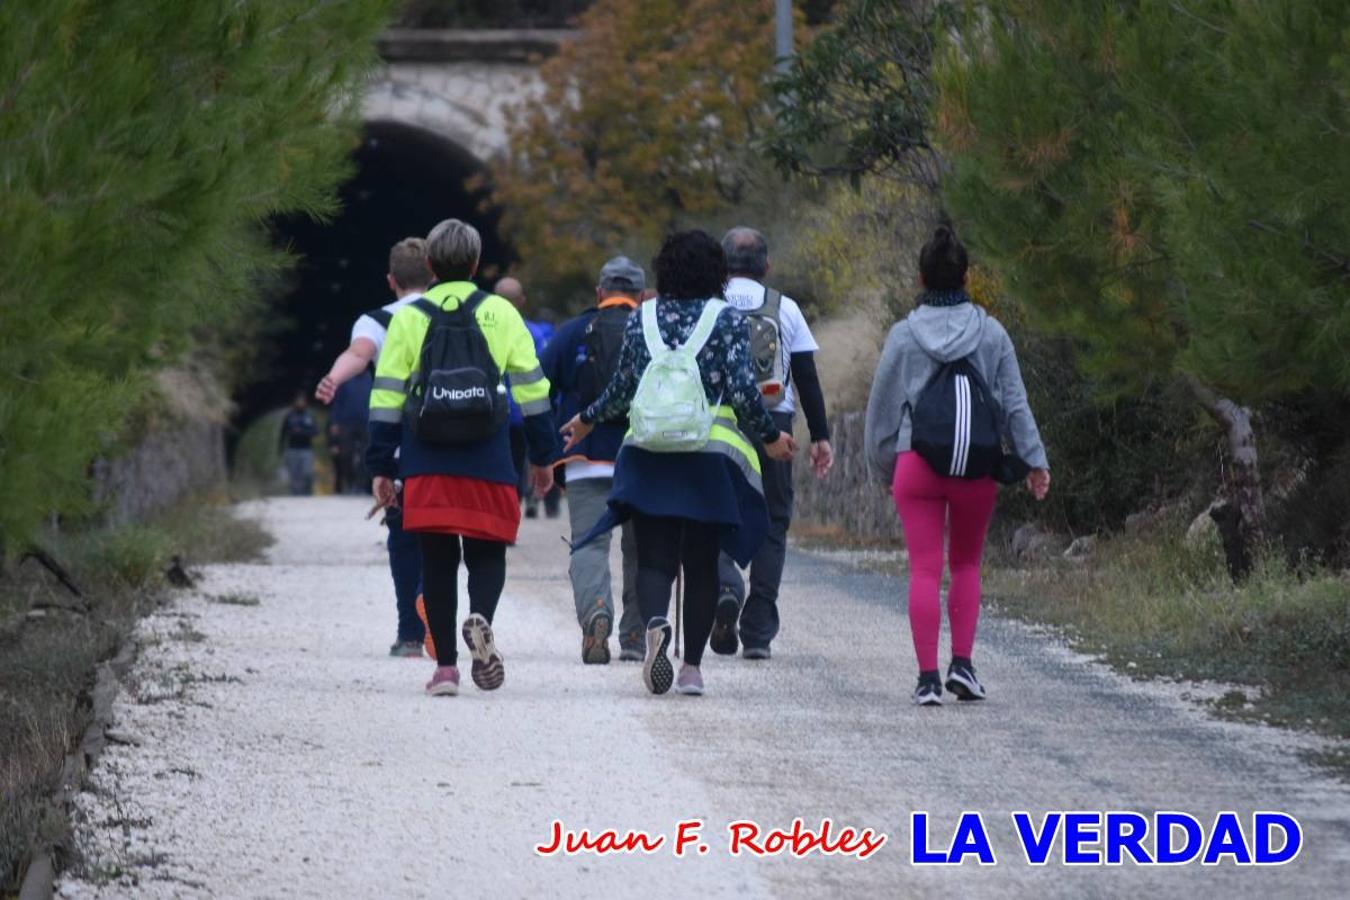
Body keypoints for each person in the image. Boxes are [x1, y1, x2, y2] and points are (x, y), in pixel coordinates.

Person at [561, 230, 796, 697]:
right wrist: (771, 439)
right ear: (717, 273)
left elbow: (622, 390)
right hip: (707, 459)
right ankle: (691, 668)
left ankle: (654, 626)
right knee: (702, 562)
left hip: (649, 455)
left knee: (654, 558)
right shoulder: (726, 319)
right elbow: (747, 394)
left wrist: (586, 421)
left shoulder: (642, 317)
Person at [368, 219, 558, 696]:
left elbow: (387, 394)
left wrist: (380, 465)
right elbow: (533, 390)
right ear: (475, 264)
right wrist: (543, 456)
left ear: (430, 264)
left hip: (427, 454)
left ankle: (447, 669)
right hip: (488, 451)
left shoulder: (410, 317)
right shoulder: (500, 313)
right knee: (487, 550)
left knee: (435, 558)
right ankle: (482, 620)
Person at [863, 225, 1050, 706]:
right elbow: (1014, 405)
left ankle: (927, 679)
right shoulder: (992, 333)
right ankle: (962, 666)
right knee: (966, 564)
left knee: (924, 569)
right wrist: (1034, 460)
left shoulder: (904, 335)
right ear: (967, 276)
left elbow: (880, 412)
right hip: (976, 468)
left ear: (921, 278)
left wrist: (886, 469)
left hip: (917, 465)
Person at [712, 227, 834, 661]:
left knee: (715, 514)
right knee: (773, 520)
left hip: (719, 426)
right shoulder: (786, 308)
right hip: (775, 425)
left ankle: (725, 583)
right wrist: (820, 435)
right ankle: (758, 631)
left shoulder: (710, 306)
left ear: (721, 265)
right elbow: (806, 376)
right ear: (766, 266)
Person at [315, 237, 433, 658]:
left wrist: (333, 377)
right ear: (434, 275)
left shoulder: (377, 320)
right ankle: (436, 610)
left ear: (391, 280)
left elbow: (359, 354)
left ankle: (410, 634)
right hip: (457, 442)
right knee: (442, 534)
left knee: (403, 538)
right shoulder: (457, 313)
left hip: (403, 446)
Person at [539, 256, 645, 664]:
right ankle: (635, 636)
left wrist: (547, 448)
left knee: (588, 544)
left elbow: (537, 388)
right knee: (641, 549)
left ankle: (595, 612)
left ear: (599, 292)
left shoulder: (571, 333)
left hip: (583, 458)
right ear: (640, 295)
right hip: (641, 457)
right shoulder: (650, 331)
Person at [496, 276, 562, 519]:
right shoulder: (533, 333)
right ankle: (544, 499)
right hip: (531, 410)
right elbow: (545, 371)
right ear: (521, 301)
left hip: (496, 414)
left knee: (508, 467)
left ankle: (508, 517)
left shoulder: (481, 327)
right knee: (540, 456)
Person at [279, 392, 318, 495]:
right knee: (294, 475)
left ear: (305, 403)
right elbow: (283, 433)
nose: (300, 403)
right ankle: (295, 496)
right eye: (298, 401)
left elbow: (315, 432)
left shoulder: (309, 416)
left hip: (306, 449)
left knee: (307, 473)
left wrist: (302, 432)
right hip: (292, 449)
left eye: (302, 401)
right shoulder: (289, 416)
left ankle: (307, 493)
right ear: (294, 402)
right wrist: (281, 449)